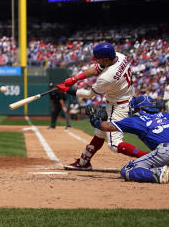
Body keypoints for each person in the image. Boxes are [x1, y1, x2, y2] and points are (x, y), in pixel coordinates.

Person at [56, 42, 148, 170]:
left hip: (119, 107)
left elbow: (89, 95)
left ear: (105, 58)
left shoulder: (107, 77)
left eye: (99, 59)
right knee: (100, 133)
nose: (97, 61)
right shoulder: (120, 56)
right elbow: (96, 68)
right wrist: (74, 79)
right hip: (123, 100)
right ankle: (84, 162)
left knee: (114, 145)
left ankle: (152, 158)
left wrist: (68, 90)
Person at [87, 95, 169, 183]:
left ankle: (156, 174)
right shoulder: (167, 115)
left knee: (127, 170)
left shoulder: (136, 119)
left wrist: (94, 120)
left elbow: (106, 127)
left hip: (168, 153)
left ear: (139, 108)